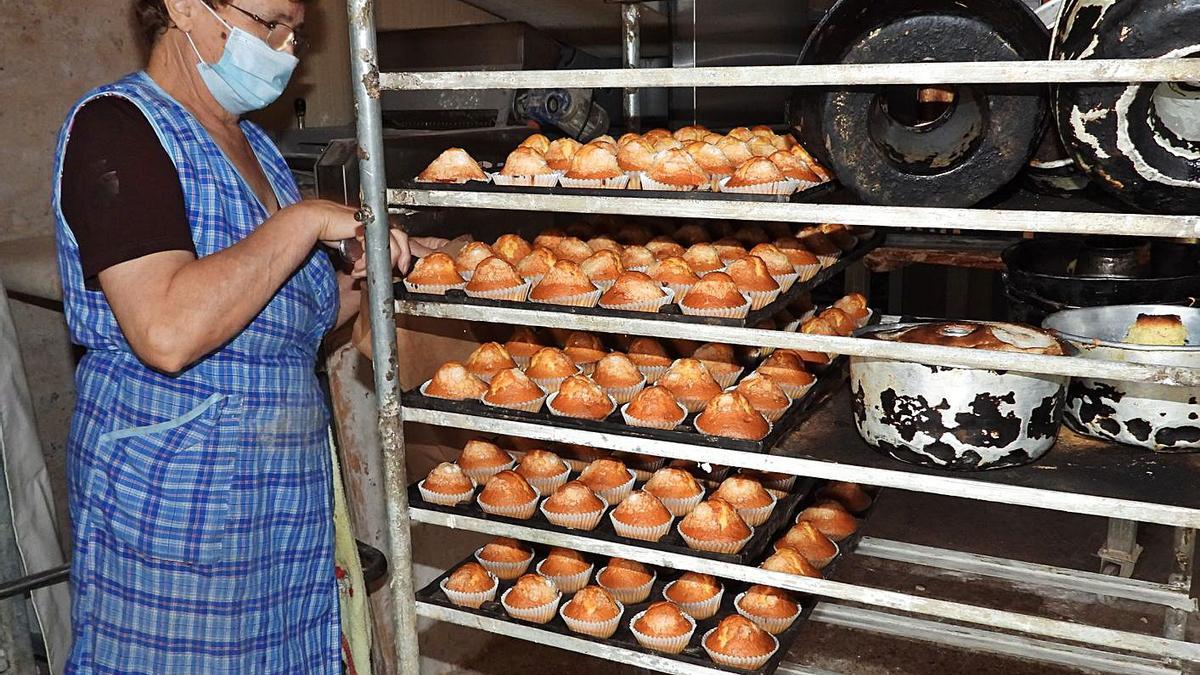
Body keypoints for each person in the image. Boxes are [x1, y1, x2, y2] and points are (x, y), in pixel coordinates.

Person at [52, 0, 441, 671]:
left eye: (296, 31)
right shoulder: (118, 128)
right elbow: (166, 328)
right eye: (271, 24)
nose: (286, 49)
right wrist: (305, 222)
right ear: (181, 6)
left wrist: (381, 269)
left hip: (280, 511)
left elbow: (289, 318)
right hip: (178, 515)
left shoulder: (255, 146)